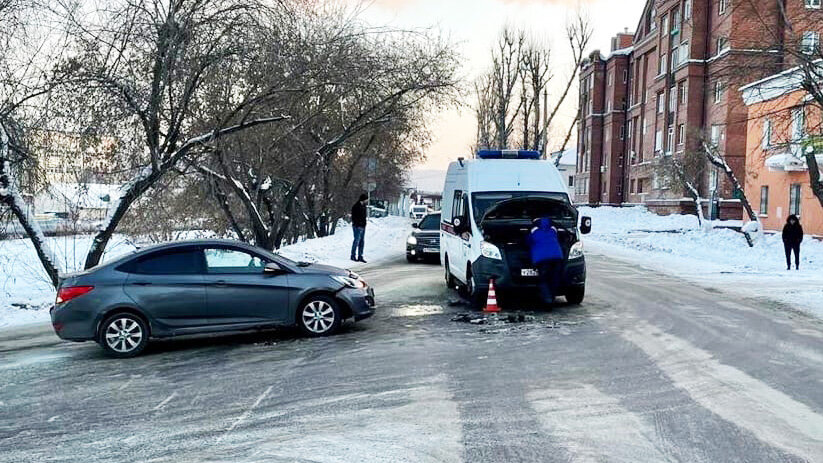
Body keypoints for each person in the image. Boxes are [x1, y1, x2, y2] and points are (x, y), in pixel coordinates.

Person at [527, 217, 564, 304]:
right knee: (555, 278)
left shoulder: (533, 231)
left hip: (542, 259)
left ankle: (548, 300)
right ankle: (551, 297)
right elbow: (561, 237)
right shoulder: (553, 229)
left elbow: (527, 242)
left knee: (543, 280)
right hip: (556, 257)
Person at [350, 193, 369, 263]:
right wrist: (358, 224)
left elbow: (364, 216)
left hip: (363, 226)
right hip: (357, 226)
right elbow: (354, 217)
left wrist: (364, 224)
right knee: (356, 241)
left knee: (362, 242)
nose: (367, 201)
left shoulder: (364, 206)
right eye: (366, 199)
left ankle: (360, 256)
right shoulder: (356, 206)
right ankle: (353, 255)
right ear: (363, 199)